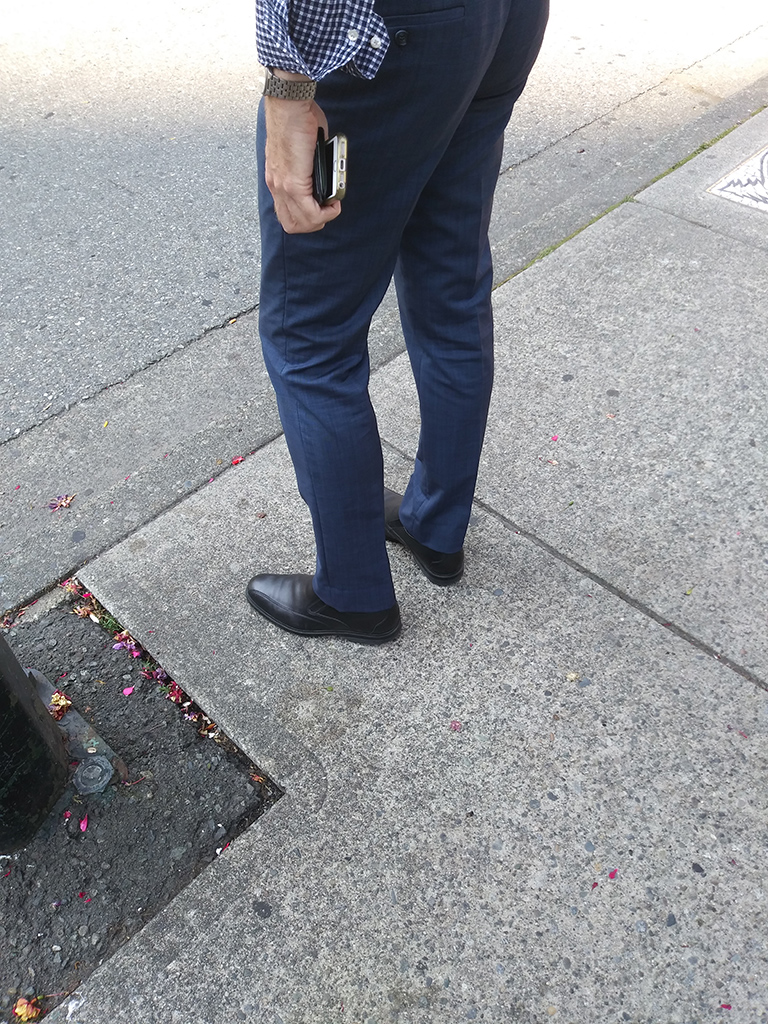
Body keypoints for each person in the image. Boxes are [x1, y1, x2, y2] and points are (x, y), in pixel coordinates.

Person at [247, 0, 549, 644]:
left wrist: (287, 87)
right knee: (451, 289)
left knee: (310, 339)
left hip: (387, 33)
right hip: (501, 21)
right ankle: (436, 529)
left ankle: (353, 595)